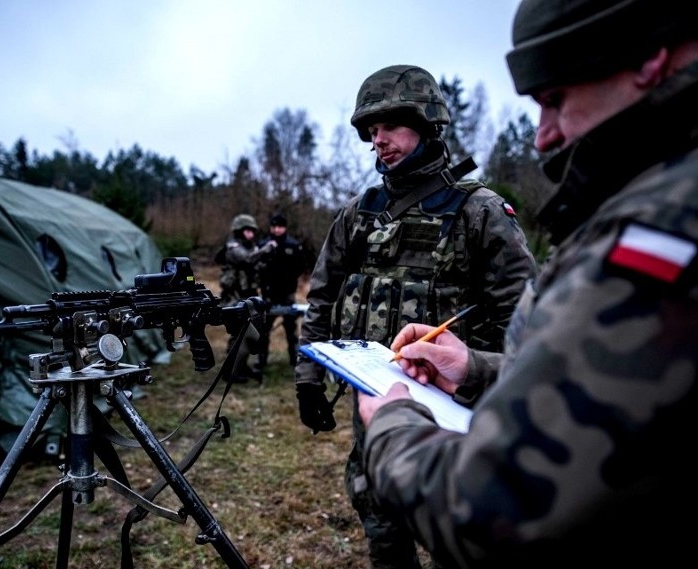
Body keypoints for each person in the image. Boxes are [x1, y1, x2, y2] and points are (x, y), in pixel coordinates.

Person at [358, 1, 698, 567]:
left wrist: (393, 423)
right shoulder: (364, 212)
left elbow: (496, 509)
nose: (543, 137)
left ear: (646, 57)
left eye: (555, 100)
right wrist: (476, 369)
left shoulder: (662, 224)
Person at [294, 64, 538, 569]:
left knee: (462, 525)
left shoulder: (481, 212)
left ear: (426, 125)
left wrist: (490, 381)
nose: (378, 141)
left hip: (457, 404)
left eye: (390, 127)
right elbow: (322, 296)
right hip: (377, 398)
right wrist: (309, 378)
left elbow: (526, 322)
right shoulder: (360, 213)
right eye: (371, 131)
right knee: (378, 510)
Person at [218, 213, 276, 383]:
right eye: (247, 230)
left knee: (250, 333)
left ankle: (241, 366)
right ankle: (230, 372)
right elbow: (246, 260)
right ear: (239, 231)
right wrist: (266, 249)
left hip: (249, 296)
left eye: (252, 230)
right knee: (238, 335)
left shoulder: (252, 248)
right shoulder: (233, 248)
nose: (251, 234)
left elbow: (258, 266)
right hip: (234, 298)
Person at [257, 213, 307, 369]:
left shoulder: (293, 245)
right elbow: (257, 267)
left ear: (284, 228)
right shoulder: (264, 245)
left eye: (279, 227)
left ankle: (295, 360)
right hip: (268, 295)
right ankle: (261, 361)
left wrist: (290, 279)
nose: (277, 230)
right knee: (264, 331)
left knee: (291, 330)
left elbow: (301, 265)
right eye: (274, 227)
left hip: (287, 294)